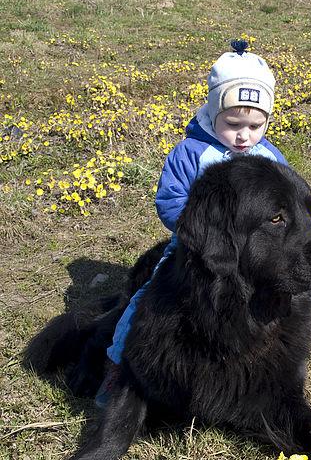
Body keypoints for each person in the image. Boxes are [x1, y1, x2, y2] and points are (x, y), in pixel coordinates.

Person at [95, 39, 289, 407]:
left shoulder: (269, 155)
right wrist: (202, 232)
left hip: (253, 256)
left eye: (256, 124)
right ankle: (117, 364)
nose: (244, 136)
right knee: (142, 302)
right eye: (233, 124)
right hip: (194, 246)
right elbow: (169, 200)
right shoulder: (192, 153)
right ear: (213, 113)